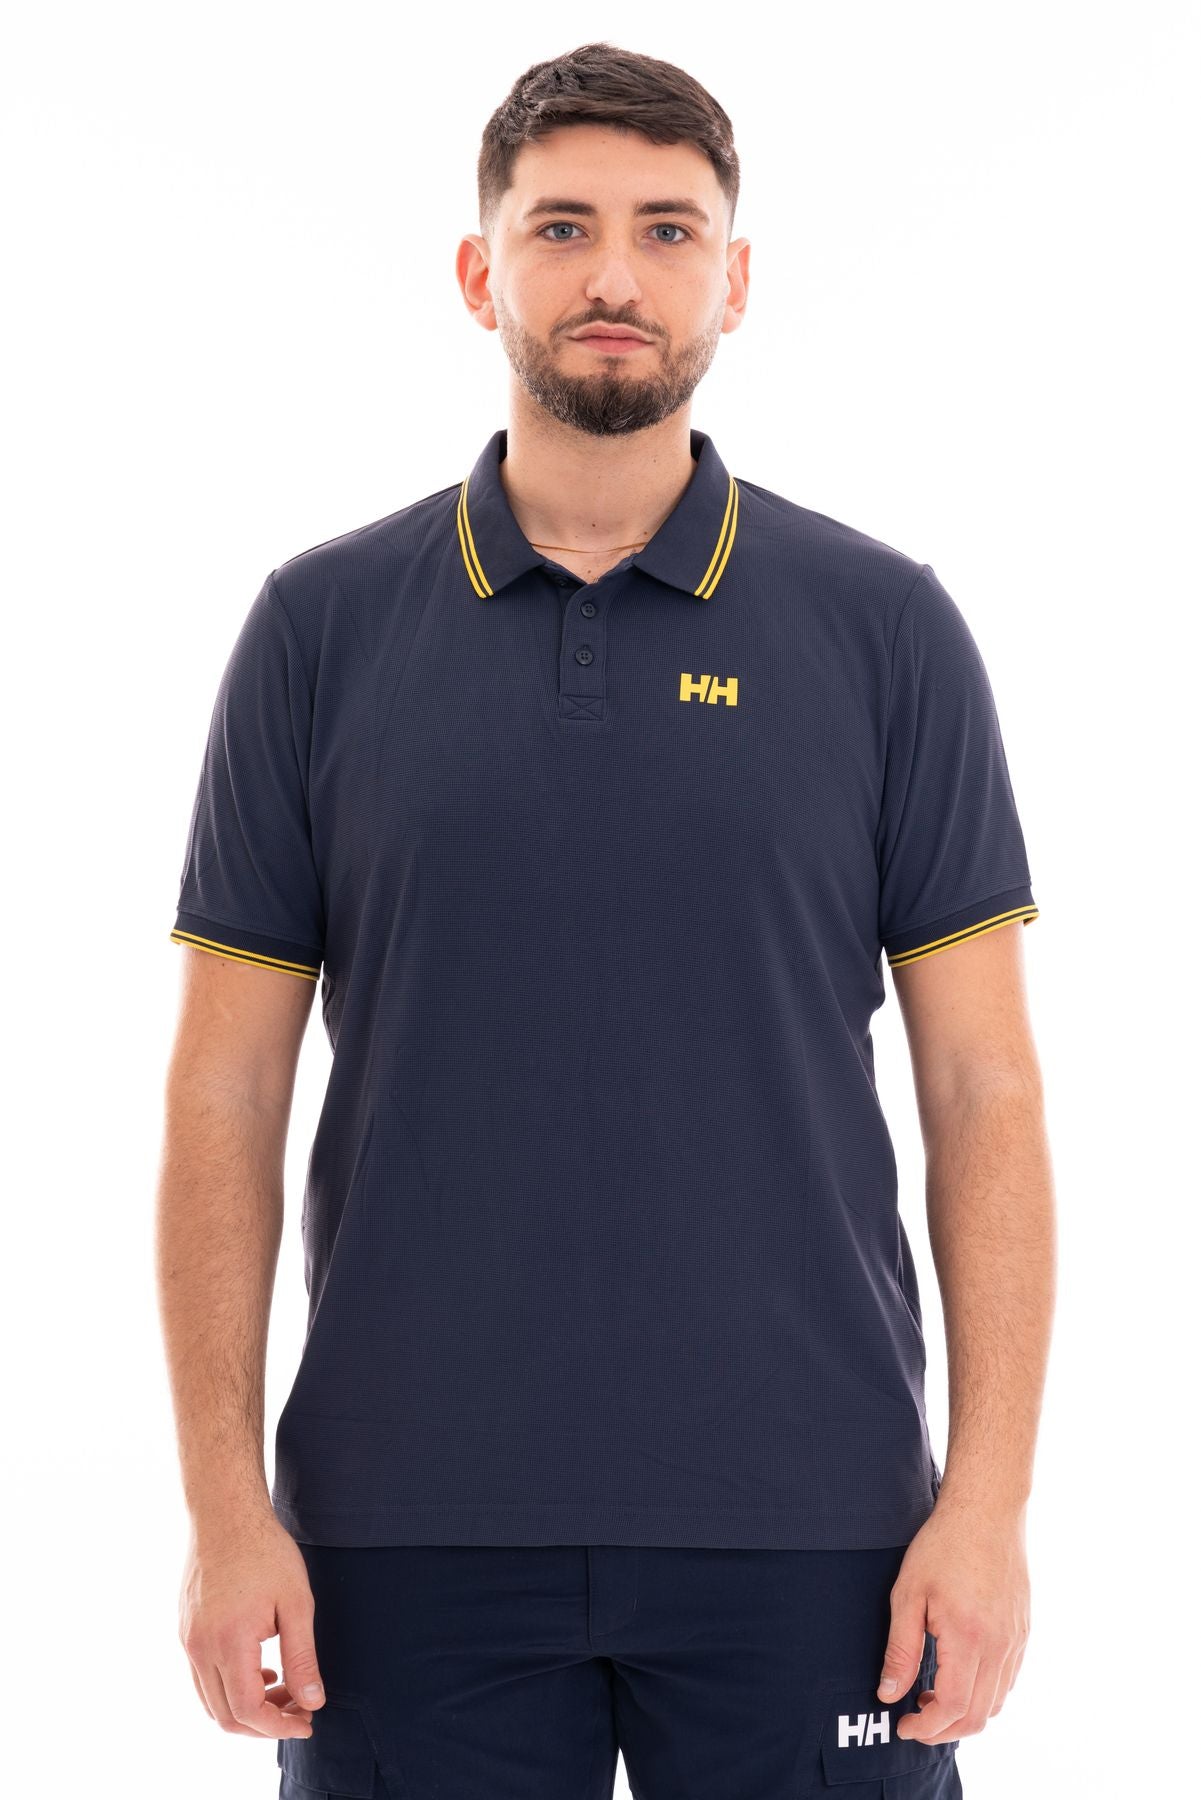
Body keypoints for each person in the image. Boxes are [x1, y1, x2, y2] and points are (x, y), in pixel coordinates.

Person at [157, 41, 1055, 1800]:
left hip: (817, 1528)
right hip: (398, 1534)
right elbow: (223, 1096)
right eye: (561, 227)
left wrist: (988, 1507)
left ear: (734, 276)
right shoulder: (319, 629)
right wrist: (221, 1512)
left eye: (667, 229)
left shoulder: (883, 630)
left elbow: (984, 1091)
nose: (615, 277)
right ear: (480, 269)